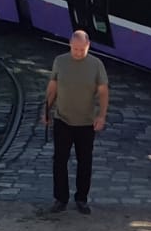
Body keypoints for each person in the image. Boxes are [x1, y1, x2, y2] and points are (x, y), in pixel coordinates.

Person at [42, 30, 109, 214]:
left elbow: (103, 92)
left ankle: (81, 198)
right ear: (70, 44)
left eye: (82, 49)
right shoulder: (60, 61)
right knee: (59, 161)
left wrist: (101, 115)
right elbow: (52, 87)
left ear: (88, 46)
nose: (78, 52)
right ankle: (60, 198)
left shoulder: (96, 65)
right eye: (76, 49)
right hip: (62, 119)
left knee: (84, 162)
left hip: (86, 122)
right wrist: (46, 110)